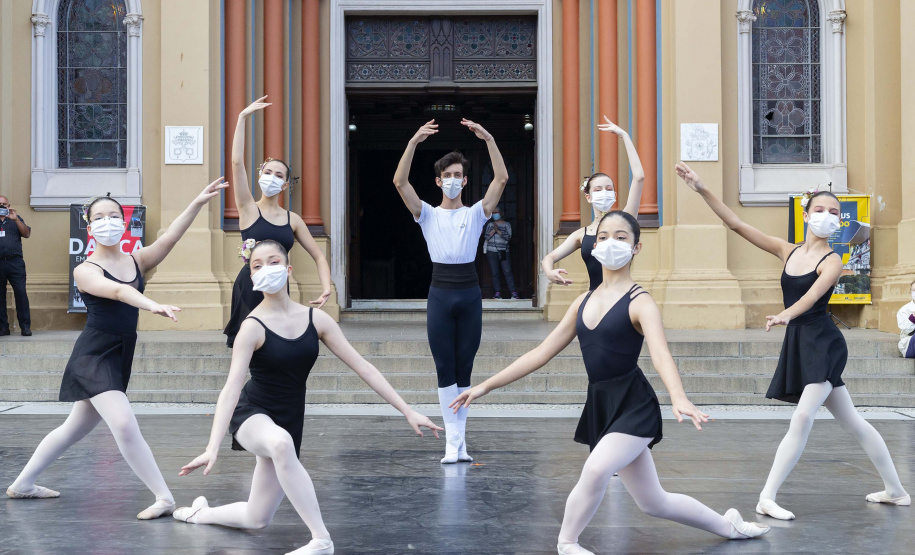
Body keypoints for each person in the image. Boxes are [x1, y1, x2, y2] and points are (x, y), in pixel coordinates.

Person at [452, 211, 769, 555]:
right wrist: (484, 386)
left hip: (633, 404)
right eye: (603, 237)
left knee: (597, 468)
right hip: (602, 404)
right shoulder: (582, 302)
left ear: (636, 247)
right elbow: (540, 353)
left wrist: (679, 397)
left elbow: (660, 353)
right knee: (653, 502)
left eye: (621, 237)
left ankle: (567, 543)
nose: (610, 243)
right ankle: (730, 526)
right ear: (592, 245)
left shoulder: (640, 301)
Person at [675, 162, 911, 520]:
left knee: (802, 417)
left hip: (824, 342)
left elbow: (813, 296)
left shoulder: (833, 259)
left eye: (835, 212)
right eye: (820, 210)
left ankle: (766, 497)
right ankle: (895, 490)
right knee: (854, 423)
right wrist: (702, 188)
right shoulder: (788, 251)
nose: (828, 216)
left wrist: (787, 313)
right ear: (806, 214)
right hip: (801, 342)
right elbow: (737, 225)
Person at [175, 240, 442, 555]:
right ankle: (321, 540)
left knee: (256, 518)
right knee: (279, 443)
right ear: (251, 277)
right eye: (257, 265)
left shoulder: (317, 321)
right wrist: (211, 446)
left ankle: (199, 514)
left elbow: (364, 368)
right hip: (253, 415)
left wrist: (408, 411)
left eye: (273, 262)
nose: (265, 269)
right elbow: (232, 387)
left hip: (289, 420)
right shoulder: (252, 327)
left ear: (287, 270)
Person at [6, 179, 229, 521]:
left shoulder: (137, 261)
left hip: (119, 352)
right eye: (100, 216)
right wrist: (152, 304)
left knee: (73, 428)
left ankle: (23, 484)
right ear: (89, 225)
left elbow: (171, 237)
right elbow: (120, 293)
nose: (108, 220)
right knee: (123, 423)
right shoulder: (85, 270)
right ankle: (163, 496)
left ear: (123, 222)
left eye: (114, 215)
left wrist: (197, 203)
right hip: (93, 355)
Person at [393, 118, 509, 464]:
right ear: (439, 181)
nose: (454, 180)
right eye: (448, 176)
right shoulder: (426, 214)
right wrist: (413, 141)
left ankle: (460, 440)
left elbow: (501, 179)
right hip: (441, 293)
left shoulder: (476, 214)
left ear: (465, 180)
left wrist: (488, 137)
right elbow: (400, 181)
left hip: (469, 292)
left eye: (459, 175)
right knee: (444, 366)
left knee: (465, 369)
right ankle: (451, 442)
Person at [223, 96, 332, 348]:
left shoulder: (292, 219)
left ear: (284, 184)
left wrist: (326, 287)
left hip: (280, 286)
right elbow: (236, 163)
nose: (272, 177)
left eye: (278, 174)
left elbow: (318, 255)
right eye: (267, 172)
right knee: (251, 344)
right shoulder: (248, 208)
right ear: (260, 175)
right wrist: (242, 117)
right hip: (251, 284)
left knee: (279, 341)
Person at [542, 117, 646, 291]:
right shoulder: (581, 234)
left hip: (622, 295)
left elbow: (639, 177)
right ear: (588, 197)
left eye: (608, 188)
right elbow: (549, 257)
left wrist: (625, 136)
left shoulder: (625, 220)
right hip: (594, 297)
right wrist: (548, 271)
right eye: (598, 189)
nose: (604, 192)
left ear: (614, 193)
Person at [0, 195, 32, 336]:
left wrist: (16, 218)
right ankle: (3, 327)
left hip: (15, 263)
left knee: (20, 293)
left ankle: (25, 327)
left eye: (4, 204)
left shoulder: (15, 219)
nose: (2, 206)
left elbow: (26, 234)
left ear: (8, 205)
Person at [483, 205, 517, 299]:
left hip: (503, 251)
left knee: (507, 271)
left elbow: (508, 237)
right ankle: (497, 292)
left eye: (496, 212)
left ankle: (513, 292)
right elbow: (486, 237)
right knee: (494, 272)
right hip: (491, 251)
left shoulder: (506, 225)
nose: (495, 214)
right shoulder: (490, 225)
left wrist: (498, 230)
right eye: (493, 213)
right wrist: (494, 230)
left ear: (501, 213)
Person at [897, 278, 915, 358]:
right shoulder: (904, 310)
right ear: (910, 292)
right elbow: (906, 329)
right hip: (909, 344)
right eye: (914, 290)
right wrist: (913, 317)